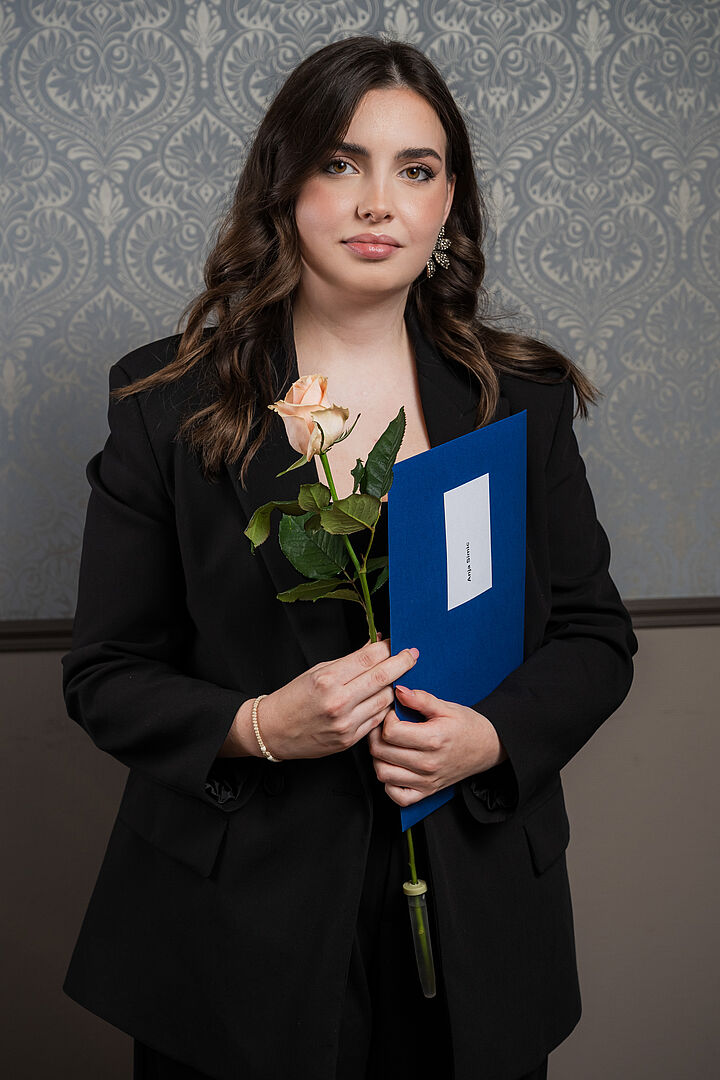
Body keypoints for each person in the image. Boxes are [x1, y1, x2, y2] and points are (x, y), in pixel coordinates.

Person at [61, 36, 637, 1080]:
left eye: (415, 170)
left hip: (476, 912)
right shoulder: (168, 403)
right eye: (341, 162)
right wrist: (258, 727)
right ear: (283, 184)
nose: (379, 202)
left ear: (448, 203)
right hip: (236, 933)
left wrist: (491, 739)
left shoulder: (522, 399)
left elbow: (596, 638)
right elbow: (105, 674)